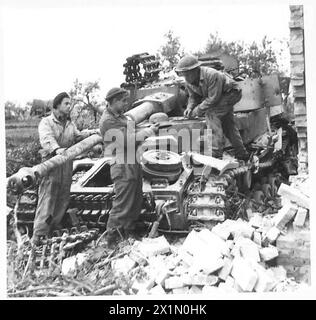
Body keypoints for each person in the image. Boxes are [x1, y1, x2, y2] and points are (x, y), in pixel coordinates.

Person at [32, 92, 97, 244]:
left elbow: (77, 136)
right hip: (51, 163)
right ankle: (39, 235)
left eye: (70, 104)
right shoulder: (47, 122)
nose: (69, 106)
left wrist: (93, 133)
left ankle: (53, 229)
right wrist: (57, 149)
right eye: (66, 103)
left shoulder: (69, 124)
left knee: (63, 197)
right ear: (57, 105)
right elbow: (47, 139)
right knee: (48, 196)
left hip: (66, 162)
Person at [99, 87, 159, 247]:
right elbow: (126, 140)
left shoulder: (120, 117)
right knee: (123, 202)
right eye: (123, 101)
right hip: (121, 164)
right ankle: (111, 239)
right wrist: (148, 132)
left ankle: (128, 233)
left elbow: (133, 131)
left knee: (135, 200)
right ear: (114, 101)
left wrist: (147, 130)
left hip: (131, 161)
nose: (126, 104)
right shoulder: (108, 120)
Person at [175, 55, 250, 161]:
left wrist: (196, 111)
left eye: (187, 74)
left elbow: (213, 99)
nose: (185, 77)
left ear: (195, 70)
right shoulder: (189, 81)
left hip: (231, 93)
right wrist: (189, 108)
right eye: (183, 74)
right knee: (228, 124)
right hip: (219, 97)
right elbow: (193, 97)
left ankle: (216, 152)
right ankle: (242, 153)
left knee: (211, 114)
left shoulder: (212, 75)